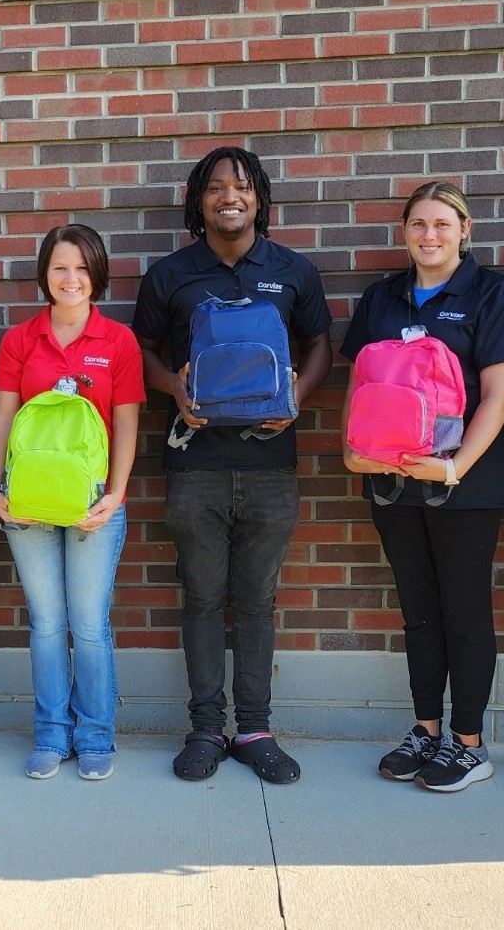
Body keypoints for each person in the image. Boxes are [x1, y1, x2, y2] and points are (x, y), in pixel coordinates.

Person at [133, 146, 334, 785]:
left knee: (256, 601)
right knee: (200, 598)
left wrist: (297, 400)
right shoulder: (171, 274)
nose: (229, 196)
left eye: (242, 186)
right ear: (198, 200)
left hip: (273, 465)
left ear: (260, 199)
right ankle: (204, 730)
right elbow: (138, 349)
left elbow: (320, 346)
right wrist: (174, 389)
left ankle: (254, 729)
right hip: (194, 464)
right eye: (216, 186)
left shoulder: (292, 271)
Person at [340, 182, 504, 792]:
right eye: (418, 224)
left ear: (465, 230)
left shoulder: (492, 294)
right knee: (419, 613)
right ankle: (425, 730)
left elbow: (501, 395)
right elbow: (361, 380)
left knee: (465, 612)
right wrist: (352, 451)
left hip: (463, 487)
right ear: (404, 231)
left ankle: (468, 744)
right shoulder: (381, 297)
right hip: (392, 483)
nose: (429, 235)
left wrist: (454, 467)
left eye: (442, 224)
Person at [0, 224, 145, 781]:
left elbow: (126, 423)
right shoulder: (20, 340)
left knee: (88, 624)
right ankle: (51, 735)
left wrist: (116, 494)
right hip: (26, 505)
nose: (70, 278)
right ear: (44, 274)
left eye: (80, 267)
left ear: (96, 273)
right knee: (47, 624)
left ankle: (96, 735)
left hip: (93, 507)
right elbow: (4, 417)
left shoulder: (119, 342)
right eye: (59, 267)